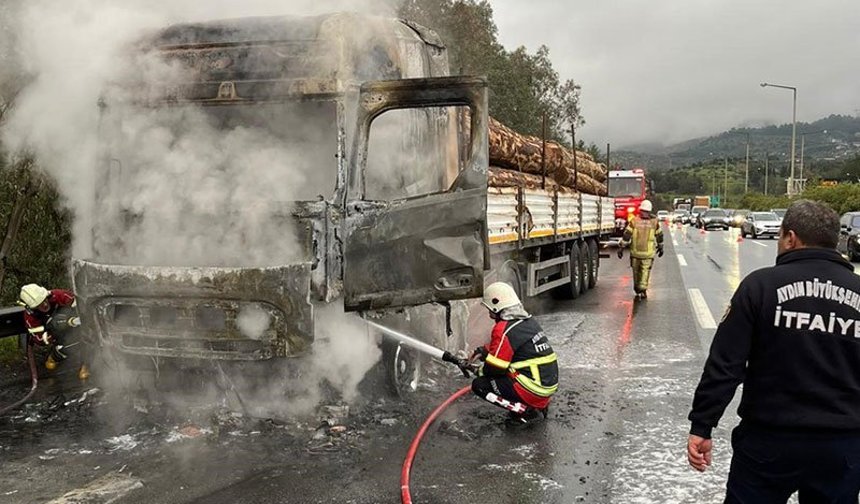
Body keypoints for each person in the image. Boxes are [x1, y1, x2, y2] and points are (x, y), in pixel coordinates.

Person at [687, 200, 860, 503]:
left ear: (791, 237)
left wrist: (702, 424)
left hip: (768, 441)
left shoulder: (760, 286)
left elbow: (726, 366)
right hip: (842, 445)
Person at [469, 282, 558, 425]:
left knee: (480, 385)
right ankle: (537, 405)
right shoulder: (527, 322)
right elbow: (505, 346)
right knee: (505, 371)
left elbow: (495, 369)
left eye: (489, 309)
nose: (489, 314)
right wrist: (482, 351)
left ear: (496, 306)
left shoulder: (503, 329)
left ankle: (524, 412)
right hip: (546, 387)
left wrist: (477, 370)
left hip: (533, 390)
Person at [18, 283, 84, 373]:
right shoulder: (31, 317)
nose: (45, 305)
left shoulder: (57, 295)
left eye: (44, 300)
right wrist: (52, 333)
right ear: (32, 308)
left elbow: (78, 302)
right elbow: (38, 338)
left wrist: (75, 314)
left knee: (88, 339)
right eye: (40, 305)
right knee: (63, 350)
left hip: (77, 323)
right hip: (58, 335)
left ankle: (89, 363)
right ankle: (54, 357)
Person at [617, 199, 664, 299]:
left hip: (635, 253)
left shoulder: (634, 221)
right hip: (648, 254)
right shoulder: (654, 222)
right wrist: (661, 246)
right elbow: (659, 235)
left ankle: (638, 289)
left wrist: (621, 247)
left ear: (640, 210)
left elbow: (627, 235)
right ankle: (642, 289)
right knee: (645, 271)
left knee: (636, 272)